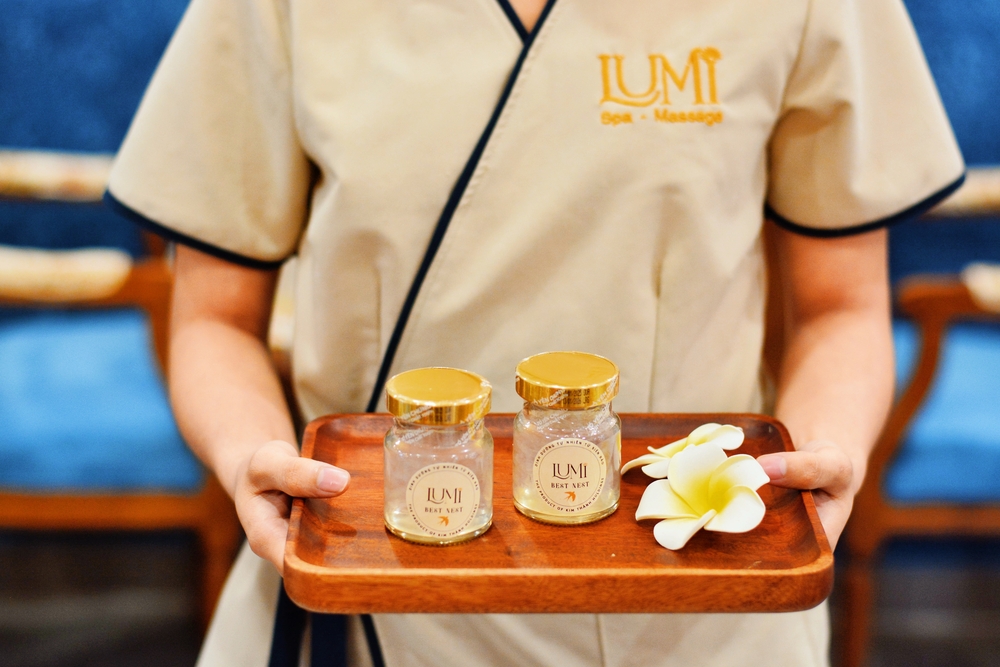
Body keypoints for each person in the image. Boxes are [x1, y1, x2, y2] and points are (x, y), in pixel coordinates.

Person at [105, 0, 964, 664]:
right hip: (371, 586)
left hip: (697, 594)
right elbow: (214, 320)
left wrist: (819, 466)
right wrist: (251, 457)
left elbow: (840, 310)